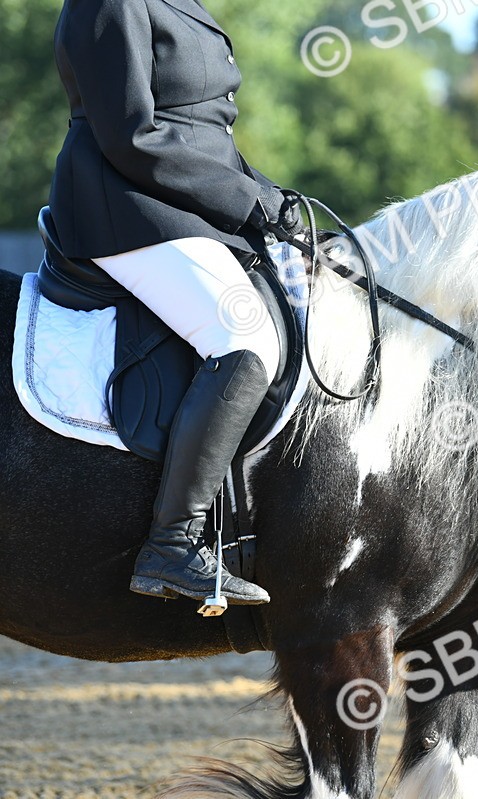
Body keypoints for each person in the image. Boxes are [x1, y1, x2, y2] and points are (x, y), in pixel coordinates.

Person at [49, 0, 307, 605]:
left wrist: (268, 197)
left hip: (182, 203)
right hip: (122, 204)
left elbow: (203, 132)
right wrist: (245, 203)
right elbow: (131, 134)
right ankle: (172, 543)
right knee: (243, 338)